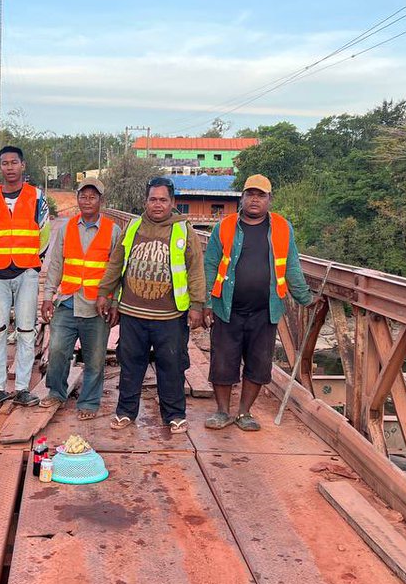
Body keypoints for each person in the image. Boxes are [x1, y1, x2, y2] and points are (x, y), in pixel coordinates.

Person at [203, 174, 313, 431]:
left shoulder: (283, 228)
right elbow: (210, 265)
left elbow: (292, 266)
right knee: (222, 360)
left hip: (265, 310)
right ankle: (222, 412)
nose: (255, 199)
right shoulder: (225, 226)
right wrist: (206, 302)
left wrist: (305, 298)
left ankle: (244, 413)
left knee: (259, 362)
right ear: (241, 197)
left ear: (269, 200)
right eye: (250, 194)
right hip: (226, 307)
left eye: (261, 195)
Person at [96, 176, 206, 434]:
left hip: (170, 315)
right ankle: (125, 412)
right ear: (145, 201)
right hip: (133, 312)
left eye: (163, 200)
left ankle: (175, 414)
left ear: (172, 202)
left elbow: (196, 270)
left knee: (172, 365)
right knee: (131, 364)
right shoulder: (133, 227)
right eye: (153, 200)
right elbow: (116, 262)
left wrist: (197, 305)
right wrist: (105, 292)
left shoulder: (183, 230)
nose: (158, 205)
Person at [40, 178, 121, 420]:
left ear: (101, 201)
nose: (87, 201)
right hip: (67, 300)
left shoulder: (113, 230)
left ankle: (89, 402)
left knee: (95, 359)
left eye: (92, 197)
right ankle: (56, 392)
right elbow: (56, 264)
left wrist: (114, 301)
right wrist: (47, 295)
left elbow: (117, 270)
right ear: (77, 200)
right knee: (56, 350)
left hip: (98, 305)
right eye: (83, 196)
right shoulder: (66, 228)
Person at [0, 145, 50, 409]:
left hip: (27, 271)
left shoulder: (37, 197)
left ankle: (21, 388)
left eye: (13, 163)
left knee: (26, 330)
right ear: (0, 167)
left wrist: (34, 263)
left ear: (23, 165)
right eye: (4, 163)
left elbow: (44, 232)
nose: (9, 167)